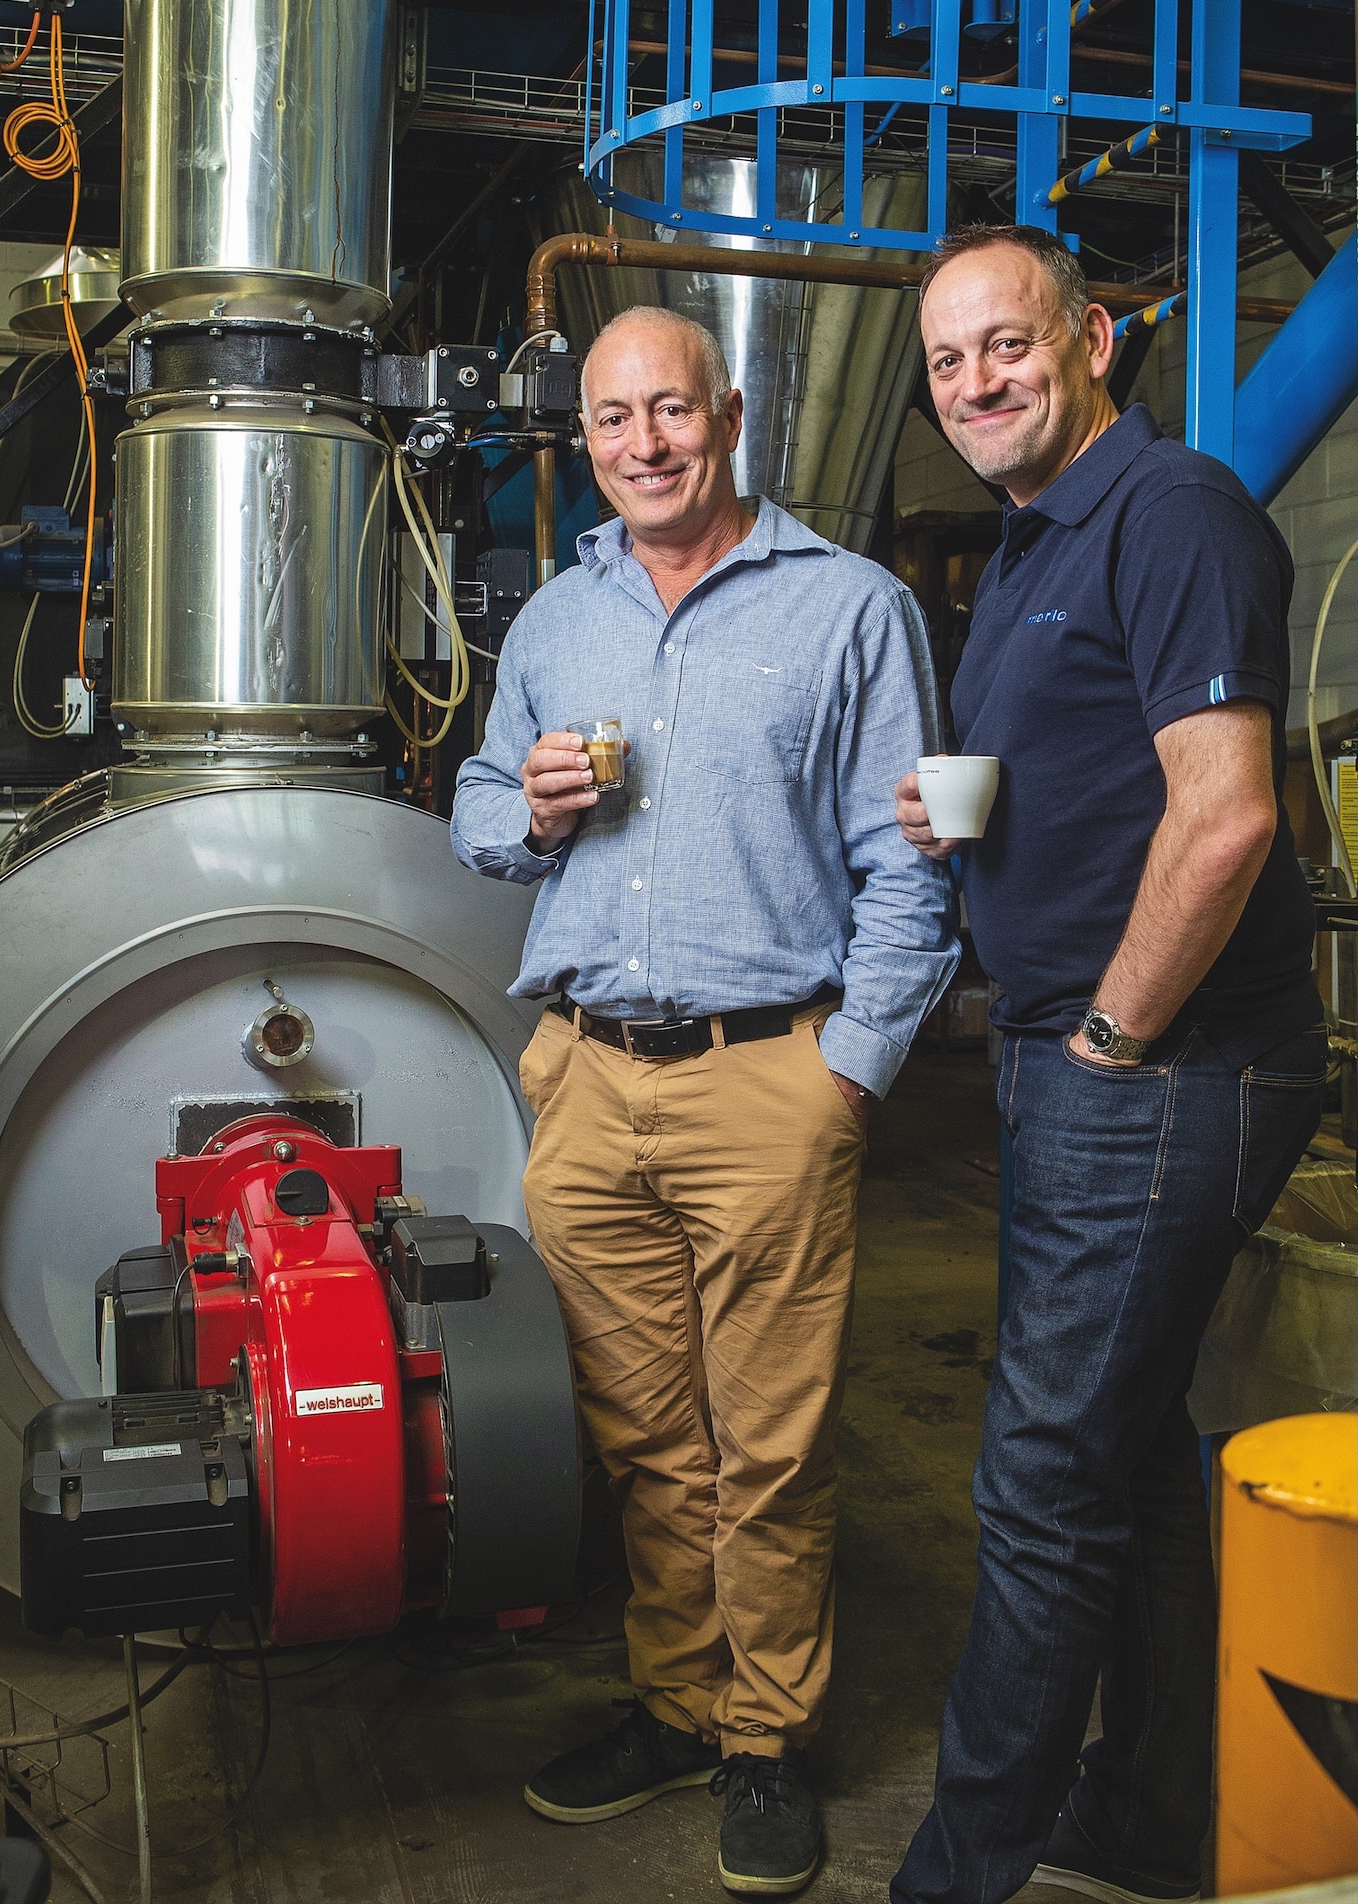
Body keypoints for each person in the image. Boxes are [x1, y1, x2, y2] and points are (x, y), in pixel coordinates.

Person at [452, 304, 958, 1896]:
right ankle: (677, 1704)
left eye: (671, 412)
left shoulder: (851, 607)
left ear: (728, 415)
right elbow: (476, 801)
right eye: (613, 421)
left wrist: (851, 1069)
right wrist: (523, 813)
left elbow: (908, 858)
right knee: (648, 1439)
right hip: (591, 1077)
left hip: (768, 1074)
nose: (644, 446)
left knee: (773, 1443)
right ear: (585, 438)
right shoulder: (558, 616)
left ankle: (766, 1738)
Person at [890, 226, 1326, 1904]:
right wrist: (959, 816)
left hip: (1161, 1063)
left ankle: (958, 1870)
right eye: (944, 361)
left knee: (1045, 1480)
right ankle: (1149, 1812)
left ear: (1087, 343)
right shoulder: (1024, 547)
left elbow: (1225, 823)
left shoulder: (1174, 514)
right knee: (1131, 1450)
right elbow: (1094, 776)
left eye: (1004, 344)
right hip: (1085, 1056)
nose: (974, 381)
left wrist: (1103, 1041)